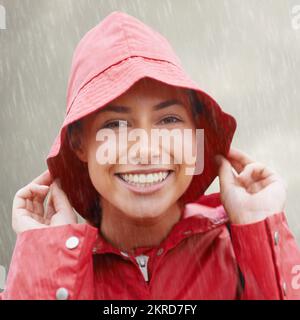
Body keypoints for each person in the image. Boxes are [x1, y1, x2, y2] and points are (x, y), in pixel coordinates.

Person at [1, 11, 300, 300]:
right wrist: (45, 256)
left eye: (169, 120)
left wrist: (260, 230)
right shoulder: (51, 267)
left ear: (195, 135)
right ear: (79, 143)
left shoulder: (240, 249)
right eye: (116, 125)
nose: (145, 150)